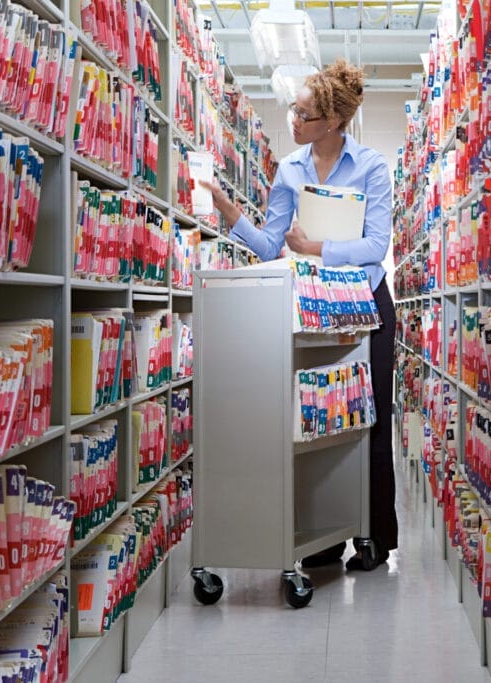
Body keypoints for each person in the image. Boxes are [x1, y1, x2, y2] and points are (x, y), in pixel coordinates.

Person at [200, 58, 397, 571]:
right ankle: (324, 535)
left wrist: (317, 247)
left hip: (366, 304)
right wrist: (228, 211)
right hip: (312, 309)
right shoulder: (289, 169)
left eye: (304, 114)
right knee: (318, 421)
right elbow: (270, 246)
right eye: (293, 109)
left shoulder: (372, 167)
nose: (293, 119)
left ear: (331, 123)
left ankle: (375, 537)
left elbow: (377, 246)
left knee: (371, 417)